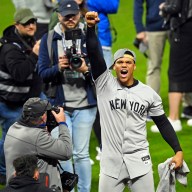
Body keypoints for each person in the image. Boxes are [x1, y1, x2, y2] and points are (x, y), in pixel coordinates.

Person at [85, 11, 184, 192]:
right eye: (120, 62)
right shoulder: (104, 84)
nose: (124, 65)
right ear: (114, 67)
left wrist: (177, 150)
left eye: (128, 62)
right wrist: (90, 29)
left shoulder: (148, 94)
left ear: (134, 66)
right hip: (111, 164)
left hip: (140, 162)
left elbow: (162, 122)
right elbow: (94, 54)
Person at [37, 1, 97, 191]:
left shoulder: (89, 36)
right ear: (59, 15)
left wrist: (86, 69)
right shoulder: (49, 39)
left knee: (81, 154)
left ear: (80, 14)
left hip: (86, 105)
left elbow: (101, 71)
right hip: (59, 107)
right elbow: (42, 73)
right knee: (64, 153)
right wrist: (58, 68)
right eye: (66, 15)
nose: (70, 19)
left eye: (74, 15)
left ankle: (85, 191)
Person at [0, 8, 43, 185]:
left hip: (26, 100)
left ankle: (27, 170)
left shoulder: (25, 40)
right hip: (11, 102)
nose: (31, 26)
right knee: (9, 141)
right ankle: (3, 172)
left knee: (23, 140)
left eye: (33, 22)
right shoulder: (11, 48)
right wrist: (34, 54)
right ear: (17, 25)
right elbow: (19, 73)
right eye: (26, 23)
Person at [4, 97, 72, 191]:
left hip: (16, 186)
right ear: (43, 117)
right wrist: (62, 123)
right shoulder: (36, 136)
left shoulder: (13, 128)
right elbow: (66, 151)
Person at [153, 0, 192, 131]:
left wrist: (164, 7)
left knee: (176, 73)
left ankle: (174, 119)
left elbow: (176, 7)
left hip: (184, 29)